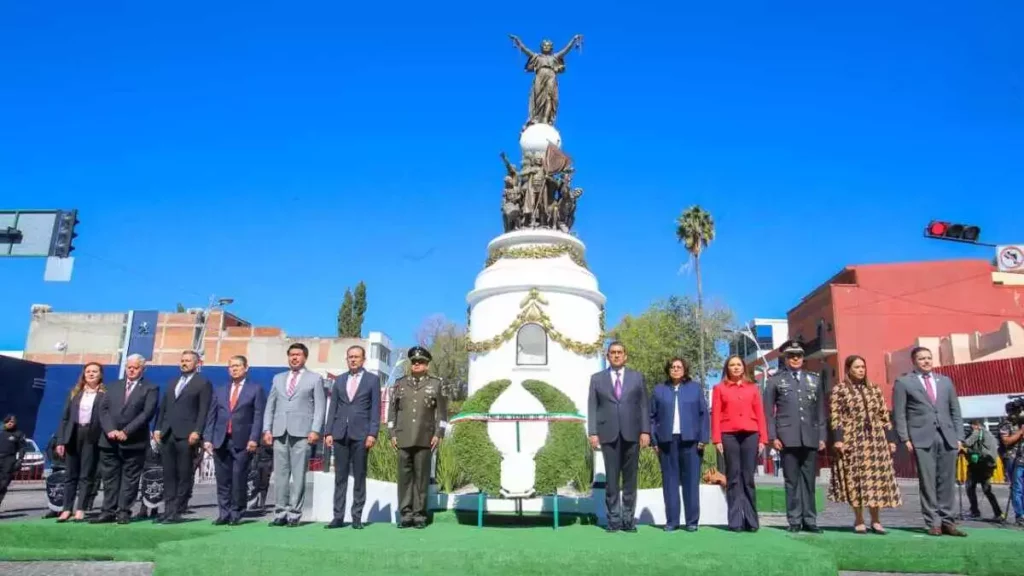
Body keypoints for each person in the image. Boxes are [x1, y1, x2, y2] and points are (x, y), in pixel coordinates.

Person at [892, 346, 966, 537]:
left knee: (947, 480)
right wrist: (904, 437)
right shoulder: (904, 382)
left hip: (947, 436)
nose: (926, 361)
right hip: (921, 437)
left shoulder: (945, 381)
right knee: (928, 481)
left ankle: (948, 521)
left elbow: (955, 411)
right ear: (914, 361)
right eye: (921, 358)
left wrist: (959, 437)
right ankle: (933, 522)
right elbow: (899, 413)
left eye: (929, 358)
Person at [828, 355, 902, 534]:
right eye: (857, 367)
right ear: (848, 369)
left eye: (863, 366)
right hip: (852, 438)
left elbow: (885, 416)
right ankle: (859, 518)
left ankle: (876, 520)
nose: (861, 370)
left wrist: (890, 439)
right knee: (857, 479)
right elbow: (835, 416)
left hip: (875, 439)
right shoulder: (840, 390)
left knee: (876, 480)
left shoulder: (874, 389)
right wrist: (838, 439)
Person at [764, 340, 826, 533]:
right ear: (786, 358)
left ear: (803, 358)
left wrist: (822, 436)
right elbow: (768, 412)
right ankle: (794, 520)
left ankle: (810, 520)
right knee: (791, 481)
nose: (795, 358)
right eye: (791, 355)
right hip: (786, 438)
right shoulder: (776, 380)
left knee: (809, 481)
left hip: (810, 436)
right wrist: (773, 437)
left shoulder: (814, 380)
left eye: (798, 355)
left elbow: (821, 411)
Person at [588, 341, 650, 533]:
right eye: (612, 353)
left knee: (630, 480)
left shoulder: (637, 378)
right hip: (608, 434)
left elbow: (644, 406)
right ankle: (614, 521)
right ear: (607, 356)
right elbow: (592, 406)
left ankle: (628, 520)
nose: (616, 355)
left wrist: (646, 431)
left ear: (625, 356)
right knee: (612, 480)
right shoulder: (597, 379)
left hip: (632, 434)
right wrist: (593, 432)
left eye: (619, 352)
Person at [263, 343, 326, 527]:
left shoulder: (314, 379)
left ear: (305, 357)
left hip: (302, 433)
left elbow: (320, 407)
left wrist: (315, 429)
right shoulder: (278, 378)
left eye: (298, 354)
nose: (294, 358)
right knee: (280, 475)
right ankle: (280, 512)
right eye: (291, 354)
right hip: (279, 432)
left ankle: (294, 514)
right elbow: (270, 405)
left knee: (298, 475)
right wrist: (267, 429)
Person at [92, 353, 158, 524]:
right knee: (110, 478)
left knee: (130, 479)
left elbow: (147, 413)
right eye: (129, 367)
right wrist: (110, 430)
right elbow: (103, 410)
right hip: (110, 441)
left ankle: (123, 511)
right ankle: (108, 511)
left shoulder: (150, 388)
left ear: (143, 369)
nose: (131, 370)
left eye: (135, 367)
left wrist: (127, 431)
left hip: (133, 442)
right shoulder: (113, 386)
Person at [387, 346, 446, 529]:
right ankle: (405, 514)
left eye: (421, 362)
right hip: (403, 436)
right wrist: (392, 433)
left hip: (425, 436)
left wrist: (438, 433)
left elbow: (442, 414)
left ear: (427, 365)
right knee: (404, 477)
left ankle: (420, 515)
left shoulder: (436, 384)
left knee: (421, 477)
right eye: (414, 362)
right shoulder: (400, 383)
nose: (417, 364)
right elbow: (392, 411)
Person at [204, 355, 266, 526]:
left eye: (238, 366)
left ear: (246, 368)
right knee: (223, 479)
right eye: (231, 366)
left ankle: (236, 512)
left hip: (243, 441)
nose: (234, 369)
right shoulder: (220, 389)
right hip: (221, 440)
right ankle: (223, 513)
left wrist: (254, 438)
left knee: (238, 477)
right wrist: (208, 438)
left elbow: (258, 416)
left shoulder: (255, 389)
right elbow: (212, 416)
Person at [324, 345, 381, 529]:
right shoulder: (339, 380)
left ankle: (356, 517)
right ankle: (338, 517)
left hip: (361, 435)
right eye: (350, 357)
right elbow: (333, 408)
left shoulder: (372, 380)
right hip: (340, 434)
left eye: (356, 357)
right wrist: (329, 431)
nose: (353, 360)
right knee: (339, 477)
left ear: (363, 359)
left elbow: (375, 409)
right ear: (347, 359)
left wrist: (372, 433)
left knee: (359, 476)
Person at [649, 357, 708, 532]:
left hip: (691, 441)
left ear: (685, 370)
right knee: (670, 482)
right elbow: (651, 416)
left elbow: (704, 415)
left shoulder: (695, 389)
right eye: (673, 367)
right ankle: (672, 521)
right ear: (668, 370)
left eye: (679, 367)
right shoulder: (659, 390)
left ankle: (692, 521)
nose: (675, 369)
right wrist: (654, 440)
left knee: (691, 482)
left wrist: (703, 438)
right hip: (667, 441)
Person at [154, 350, 212, 524]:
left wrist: (197, 431)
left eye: (188, 361)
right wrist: (158, 428)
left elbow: (204, 410)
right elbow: (164, 407)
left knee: (184, 473)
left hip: (187, 435)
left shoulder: (202, 383)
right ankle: (168, 509)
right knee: (169, 474)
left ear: (197, 363)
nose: (184, 363)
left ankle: (178, 510)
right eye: (182, 360)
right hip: (168, 433)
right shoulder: (173, 382)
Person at [711, 354, 766, 532]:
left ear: (744, 368)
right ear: (727, 369)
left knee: (748, 477)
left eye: (738, 365)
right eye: (732, 365)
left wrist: (763, 438)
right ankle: (735, 521)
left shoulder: (753, 388)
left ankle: (751, 521)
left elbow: (760, 414)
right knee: (733, 477)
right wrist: (717, 438)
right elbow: (716, 415)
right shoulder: (719, 388)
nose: (735, 367)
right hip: (729, 435)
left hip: (751, 434)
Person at [55, 362, 106, 522]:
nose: (91, 374)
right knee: (70, 474)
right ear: (83, 374)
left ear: (100, 375)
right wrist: (61, 441)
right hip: (73, 434)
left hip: (91, 435)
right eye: (88, 371)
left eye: (95, 371)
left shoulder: (105, 394)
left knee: (86, 474)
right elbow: (65, 418)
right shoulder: (75, 393)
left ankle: (81, 508)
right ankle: (66, 509)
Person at [963, 420, 1001, 521]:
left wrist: (965, 448)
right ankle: (998, 513)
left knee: (970, 487)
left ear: (977, 426)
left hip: (979, 465)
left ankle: (974, 511)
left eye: (972, 426)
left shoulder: (977, 432)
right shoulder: (990, 434)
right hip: (989, 465)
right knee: (987, 490)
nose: (970, 428)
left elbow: (967, 443)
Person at [998, 408, 1024, 527]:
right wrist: (1020, 432)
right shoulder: (1006, 424)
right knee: (1017, 487)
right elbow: (1006, 441)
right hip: (1013, 458)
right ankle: (1020, 515)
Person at [0, 415, 27, 510]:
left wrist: (20, 460)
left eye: (12, 422)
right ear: (5, 422)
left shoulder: (18, 434)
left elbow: (22, 448)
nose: (10, 423)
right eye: (8, 422)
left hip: (9, 460)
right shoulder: (1, 433)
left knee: (3, 484)